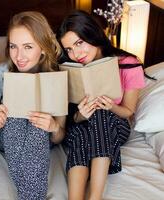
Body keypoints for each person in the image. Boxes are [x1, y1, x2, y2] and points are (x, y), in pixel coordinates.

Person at [57, 10, 145, 200]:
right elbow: (70, 120)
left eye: (79, 43)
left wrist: (109, 106)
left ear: (92, 34)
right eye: (69, 49)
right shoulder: (69, 67)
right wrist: (81, 114)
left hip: (115, 125)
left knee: (99, 113)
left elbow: (128, 111)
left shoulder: (128, 64)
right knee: (80, 133)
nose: (75, 54)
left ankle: (95, 197)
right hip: (80, 125)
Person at [0, 11, 66, 200]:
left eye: (27, 47)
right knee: (16, 117)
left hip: (40, 138)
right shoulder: (1, 73)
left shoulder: (55, 77)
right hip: (2, 136)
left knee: (36, 122)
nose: (19, 56)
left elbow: (59, 137)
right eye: (13, 46)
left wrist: (53, 126)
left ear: (43, 48)